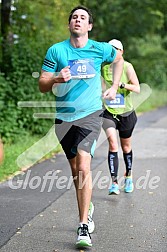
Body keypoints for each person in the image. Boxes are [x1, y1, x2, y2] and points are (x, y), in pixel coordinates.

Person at [39, 6, 124, 248]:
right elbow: (42, 84)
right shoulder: (56, 50)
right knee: (76, 171)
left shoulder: (99, 49)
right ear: (69, 25)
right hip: (64, 119)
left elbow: (119, 59)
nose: (78, 20)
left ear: (89, 26)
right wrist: (56, 78)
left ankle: (83, 225)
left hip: (90, 115)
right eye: (74, 17)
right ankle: (87, 205)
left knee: (84, 165)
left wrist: (115, 85)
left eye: (83, 18)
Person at [102, 39, 140, 195]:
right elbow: (100, 85)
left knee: (126, 147)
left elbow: (137, 88)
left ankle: (129, 176)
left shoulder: (127, 67)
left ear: (121, 51)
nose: (112, 51)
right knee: (112, 144)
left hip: (126, 113)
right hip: (109, 112)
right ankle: (114, 183)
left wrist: (121, 85)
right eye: (109, 49)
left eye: (115, 49)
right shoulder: (103, 67)